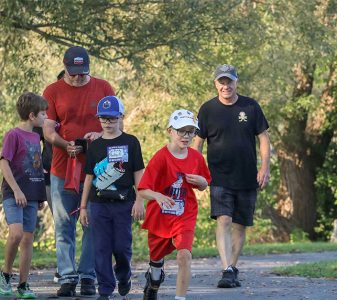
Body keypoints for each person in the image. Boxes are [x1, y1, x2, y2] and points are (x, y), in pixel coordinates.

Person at [43, 46, 115, 297]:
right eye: (73, 73)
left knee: (93, 222)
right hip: (63, 167)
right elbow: (48, 129)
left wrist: (101, 134)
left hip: (98, 169)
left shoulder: (103, 87)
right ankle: (67, 276)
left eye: (82, 73)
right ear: (65, 67)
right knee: (64, 224)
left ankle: (87, 276)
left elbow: (118, 124)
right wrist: (64, 144)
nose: (77, 77)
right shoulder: (52, 92)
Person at [193, 64, 271, 288]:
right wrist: (198, 171)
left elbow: (263, 138)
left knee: (240, 225)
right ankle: (226, 268)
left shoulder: (250, 106)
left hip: (247, 176)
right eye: (221, 82)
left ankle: (232, 269)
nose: (225, 86)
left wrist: (264, 168)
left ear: (236, 82)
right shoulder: (207, 109)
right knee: (224, 219)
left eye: (229, 81)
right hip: (218, 176)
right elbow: (198, 143)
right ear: (216, 84)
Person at [138, 109, 211, 300]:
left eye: (190, 131)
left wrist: (202, 182)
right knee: (156, 261)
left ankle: (180, 298)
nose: (186, 136)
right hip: (161, 215)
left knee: (184, 256)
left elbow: (205, 184)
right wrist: (157, 196)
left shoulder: (196, 158)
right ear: (170, 130)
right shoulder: (161, 157)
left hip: (185, 213)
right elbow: (142, 189)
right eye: (181, 131)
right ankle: (153, 282)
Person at [79, 96, 145, 300]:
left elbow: (139, 173)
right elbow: (89, 177)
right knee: (101, 248)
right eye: (103, 119)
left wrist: (140, 200)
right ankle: (105, 289)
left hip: (124, 203)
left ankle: (124, 276)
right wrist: (83, 207)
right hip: (98, 204)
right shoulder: (96, 146)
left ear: (120, 117)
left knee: (122, 247)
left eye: (112, 118)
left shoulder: (130, 142)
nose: (107, 123)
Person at [0, 92, 48, 299]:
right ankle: (5, 275)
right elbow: (4, 163)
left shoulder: (37, 136)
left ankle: (23, 284)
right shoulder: (14, 135)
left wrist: (39, 195)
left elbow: (35, 166)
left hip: (31, 194)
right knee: (17, 234)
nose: (46, 117)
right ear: (31, 115)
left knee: (28, 240)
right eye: (43, 113)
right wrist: (17, 190)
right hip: (13, 193)